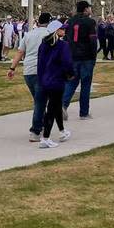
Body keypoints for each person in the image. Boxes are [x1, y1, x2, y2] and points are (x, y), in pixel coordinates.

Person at [7, 11, 52, 141]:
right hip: (42, 71)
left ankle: (41, 124)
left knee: (39, 100)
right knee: (40, 102)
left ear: (38, 22)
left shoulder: (28, 35)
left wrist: (12, 68)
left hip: (28, 72)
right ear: (49, 23)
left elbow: (20, 52)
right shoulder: (50, 35)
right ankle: (35, 131)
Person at [36, 19, 73, 149]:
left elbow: (40, 64)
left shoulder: (43, 45)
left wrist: (41, 79)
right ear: (57, 31)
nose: (64, 30)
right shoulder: (63, 46)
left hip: (45, 80)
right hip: (56, 80)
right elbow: (67, 63)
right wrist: (70, 74)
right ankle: (45, 138)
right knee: (51, 109)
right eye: (62, 28)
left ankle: (62, 131)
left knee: (56, 106)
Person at [63, 1, 99, 118]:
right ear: (85, 9)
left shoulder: (70, 21)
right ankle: (84, 112)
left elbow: (66, 39)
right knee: (86, 85)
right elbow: (93, 41)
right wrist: (94, 56)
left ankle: (63, 105)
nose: (90, 10)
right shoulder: (90, 22)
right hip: (87, 57)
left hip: (73, 56)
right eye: (89, 8)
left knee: (71, 82)